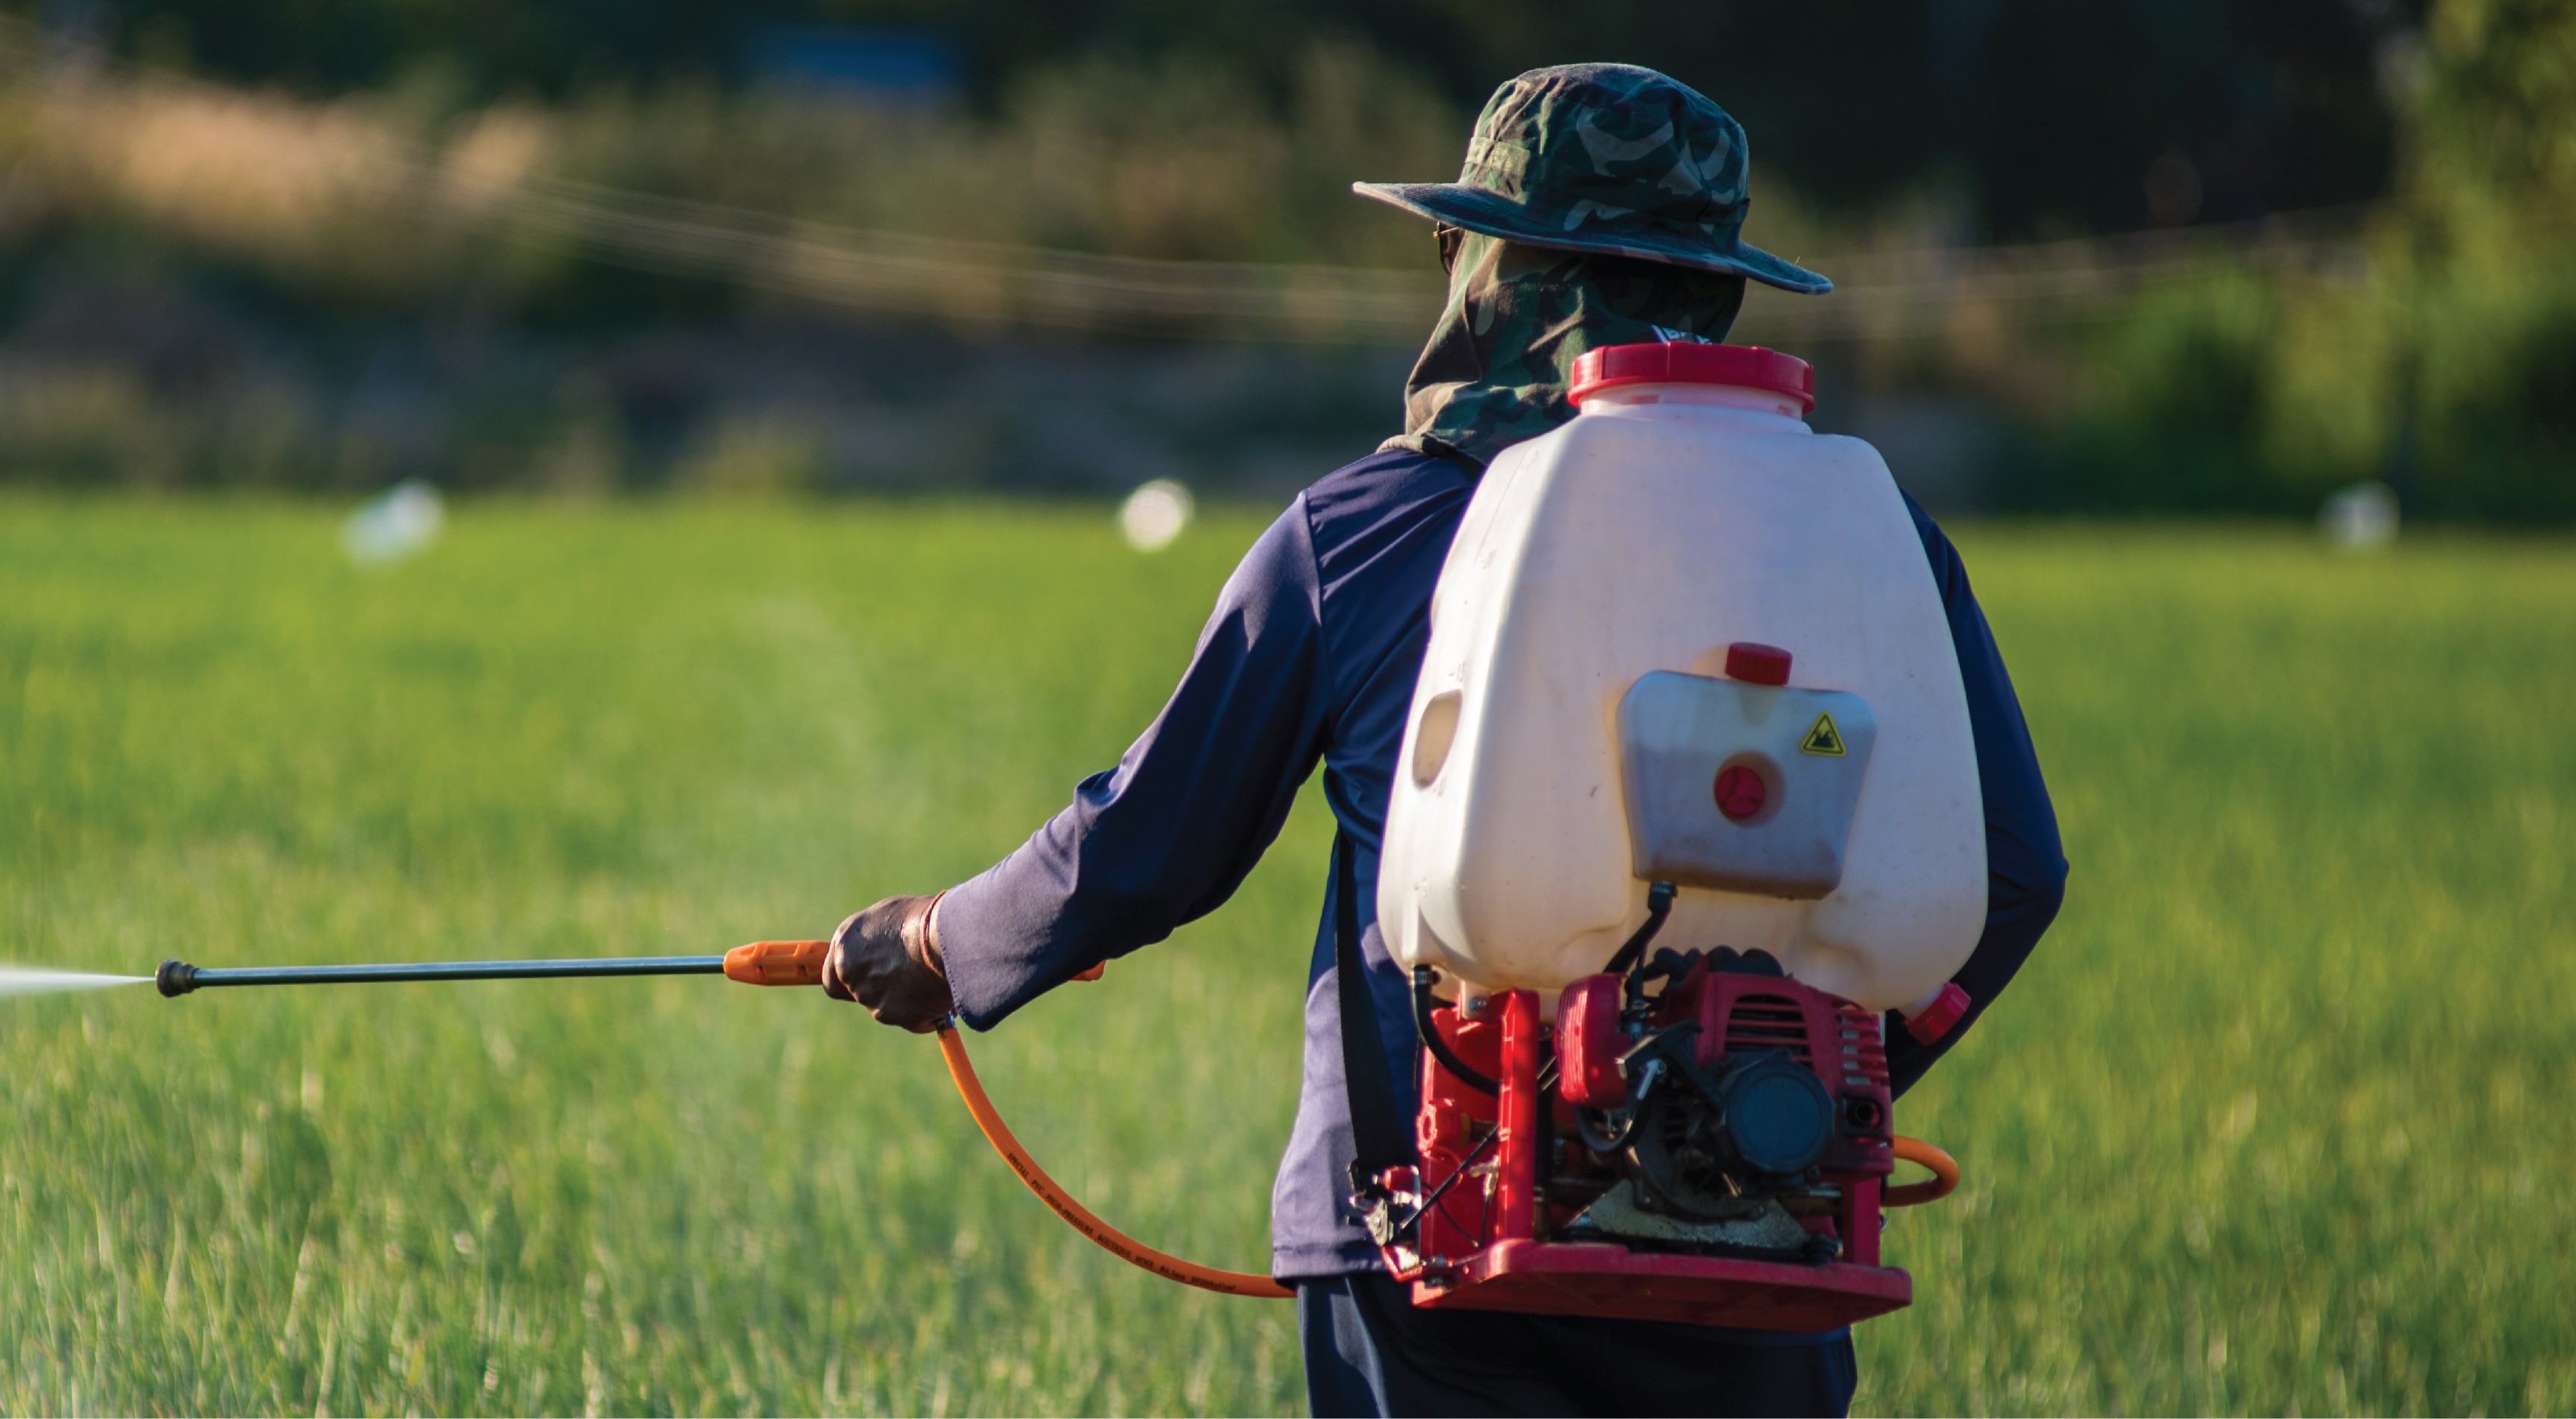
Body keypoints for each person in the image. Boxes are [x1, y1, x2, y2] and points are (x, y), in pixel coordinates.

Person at [814, 64, 2069, 1418]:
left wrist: (944, 941)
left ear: (1494, 274)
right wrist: (1791, 1096)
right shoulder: (1882, 550)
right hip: (1758, 1223)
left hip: (1427, 1234)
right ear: (1712, 290)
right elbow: (2012, 870)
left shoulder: (1361, 533)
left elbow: (1145, 847)